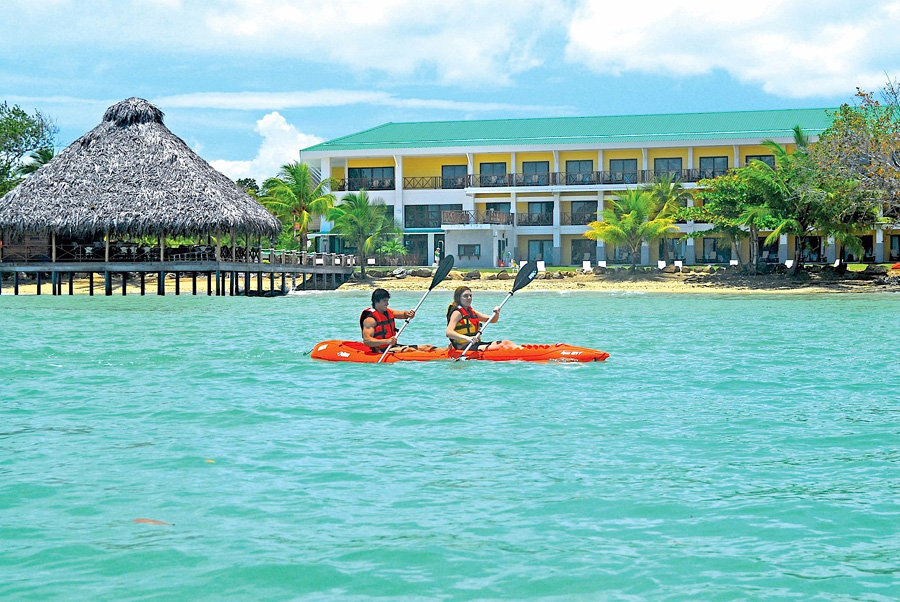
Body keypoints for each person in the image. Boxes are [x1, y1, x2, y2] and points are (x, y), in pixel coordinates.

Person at [360, 288, 434, 353]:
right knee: (409, 350)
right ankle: (430, 358)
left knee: (427, 347)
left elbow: (402, 314)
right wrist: (387, 341)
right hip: (380, 350)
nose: (387, 303)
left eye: (387, 301)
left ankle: (444, 352)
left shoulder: (387, 312)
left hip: (391, 346)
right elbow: (367, 341)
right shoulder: (370, 320)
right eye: (384, 301)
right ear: (376, 301)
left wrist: (408, 314)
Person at [445, 286, 518, 351]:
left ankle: (523, 350)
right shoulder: (457, 313)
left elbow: (492, 320)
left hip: (475, 344)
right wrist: (468, 338)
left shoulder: (471, 312)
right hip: (464, 346)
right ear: (458, 298)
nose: (469, 298)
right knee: (501, 346)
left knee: (506, 342)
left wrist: (496, 313)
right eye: (465, 296)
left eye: (470, 295)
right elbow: (449, 332)